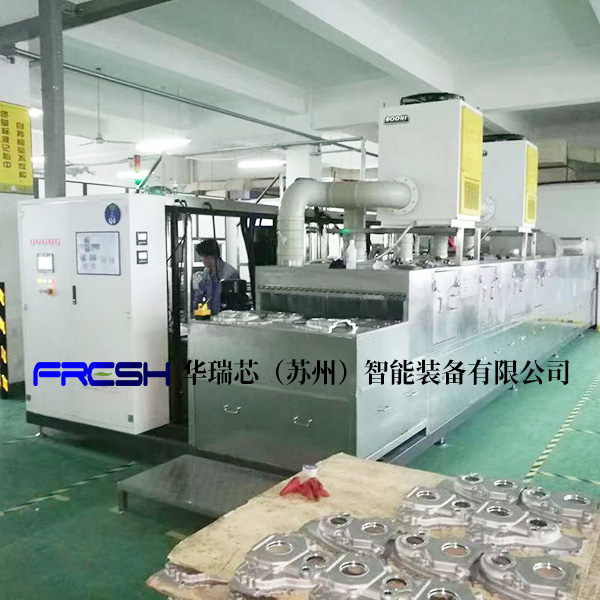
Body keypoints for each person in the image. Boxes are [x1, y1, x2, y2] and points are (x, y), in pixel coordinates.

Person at [193, 239, 239, 315]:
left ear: (210, 257)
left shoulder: (230, 274)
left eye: (202, 257)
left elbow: (234, 302)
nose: (201, 260)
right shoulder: (207, 272)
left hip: (226, 316)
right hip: (211, 315)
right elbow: (200, 294)